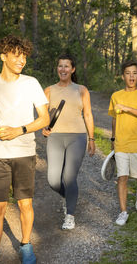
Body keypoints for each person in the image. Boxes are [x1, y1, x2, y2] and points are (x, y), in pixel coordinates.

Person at [0, 35, 50, 264]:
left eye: (24, 55)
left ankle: (25, 245)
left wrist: (19, 130)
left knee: (25, 204)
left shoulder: (31, 83)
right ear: (3, 56)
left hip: (24, 153)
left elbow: (44, 119)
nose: (21, 60)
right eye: (16, 54)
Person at [42, 54, 95, 230]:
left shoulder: (81, 90)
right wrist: (43, 127)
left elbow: (87, 114)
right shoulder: (48, 90)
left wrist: (92, 138)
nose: (63, 69)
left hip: (77, 137)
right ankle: (69, 197)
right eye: (60, 66)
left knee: (69, 177)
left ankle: (70, 215)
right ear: (57, 69)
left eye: (66, 66)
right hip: (55, 137)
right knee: (53, 180)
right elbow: (43, 116)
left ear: (72, 69)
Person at [108, 60, 137, 226]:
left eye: (134, 73)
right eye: (128, 73)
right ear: (123, 76)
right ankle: (123, 212)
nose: (131, 76)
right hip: (121, 143)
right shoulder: (116, 96)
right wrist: (113, 139)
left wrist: (127, 108)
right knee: (122, 177)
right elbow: (114, 119)